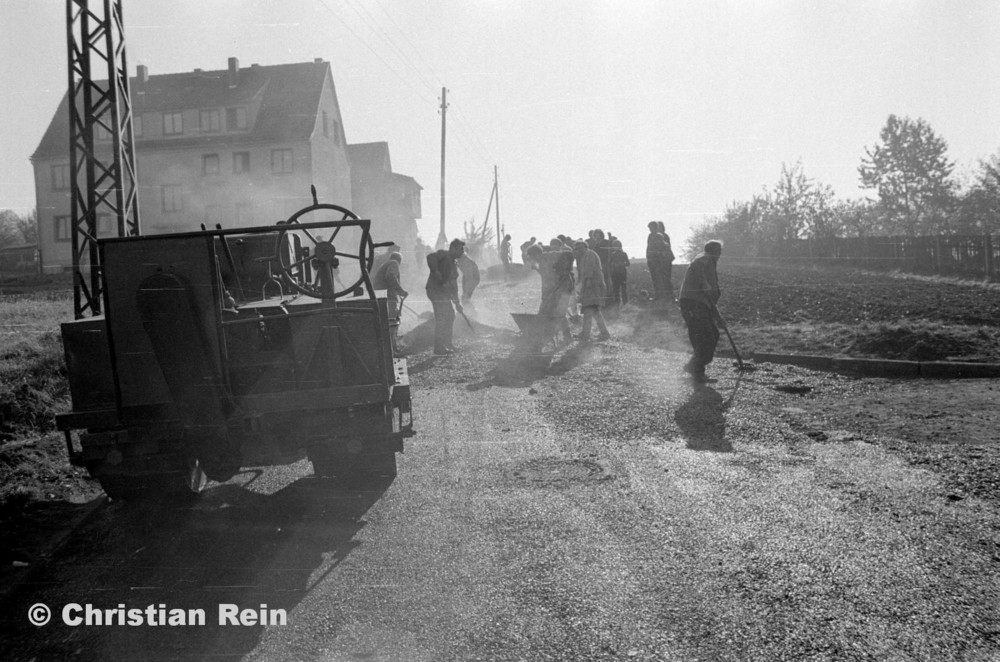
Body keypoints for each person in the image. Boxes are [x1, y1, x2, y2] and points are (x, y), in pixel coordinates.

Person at [678, 240, 724, 382]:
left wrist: (718, 317)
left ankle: (695, 365)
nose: (720, 254)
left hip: (700, 304)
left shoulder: (709, 262)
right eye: (719, 251)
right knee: (705, 336)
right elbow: (697, 268)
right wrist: (704, 283)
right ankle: (697, 369)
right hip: (693, 303)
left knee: (712, 335)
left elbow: (710, 298)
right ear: (715, 251)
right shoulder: (704, 258)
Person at [425, 239, 466, 356]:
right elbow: (430, 257)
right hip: (434, 291)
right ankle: (439, 348)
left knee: (450, 315)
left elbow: (453, 287)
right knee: (442, 317)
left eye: (463, 250)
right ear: (453, 248)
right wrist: (435, 271)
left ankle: (447, 344)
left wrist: (457, 303)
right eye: (460, 249)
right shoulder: (444, 254)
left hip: (443, 293)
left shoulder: (454, 264)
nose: (462, 252)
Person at [529, 241, 574, 344]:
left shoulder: (550, 255)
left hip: (564, 287)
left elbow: (569, 254)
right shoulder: (540, 264)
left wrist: (563, 269)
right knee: (549, 312)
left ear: (536, 254)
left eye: (532, 257)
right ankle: (548, 336)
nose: (532, 259)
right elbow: (546, 281)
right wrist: (544, 298)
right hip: (554, 290)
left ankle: (567, 337)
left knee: (559, 313)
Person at [572, 241, 610, 342]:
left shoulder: (589, 255)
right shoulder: (585, 255)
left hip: (593, 285)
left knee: (589, 309)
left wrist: (588, 282)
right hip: (591, 286)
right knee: (595, 311)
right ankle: (604, 332)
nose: (579, 250)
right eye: (577, 248)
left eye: (580, 248)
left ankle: (586, 334)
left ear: (585, 247)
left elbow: (590, 270)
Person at [371, 251, 409, 353]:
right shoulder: (394, 263)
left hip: (381, 295)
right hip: (387, 296)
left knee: (389, 321)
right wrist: (401, 291)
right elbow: (390, 276)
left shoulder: (385, 264)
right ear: (399, 260)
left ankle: (393, 347)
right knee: (392, 321)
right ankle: (392, 350)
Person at [607, 239, 630, 307]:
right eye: (615, 245)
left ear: (620, 246)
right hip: (614, 273)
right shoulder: (612, 255)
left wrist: (622, 264)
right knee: (616, 289)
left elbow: (628, 263)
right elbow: (609, 264)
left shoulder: (624, 254)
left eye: (617, 245)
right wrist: (614, 265)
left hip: (622, 273)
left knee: (623, 288)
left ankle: (625, 303)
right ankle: (617, 303)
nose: (616, 247)